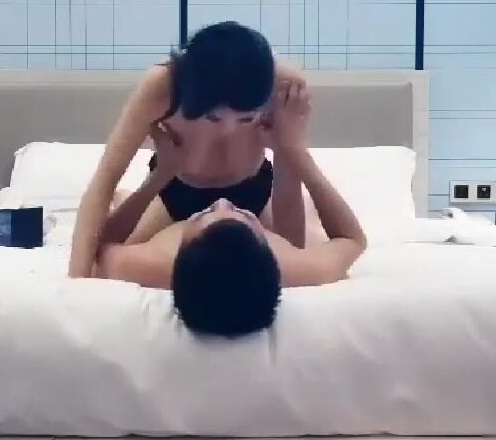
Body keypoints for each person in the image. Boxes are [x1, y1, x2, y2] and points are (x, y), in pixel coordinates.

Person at [94, 85, 368, 339]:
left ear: (181, 249)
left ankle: (132, 196)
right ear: (266, 244)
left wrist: (160, 174)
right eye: (242, 215)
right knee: (310, 225)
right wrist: (294, 151)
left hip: (172, 187)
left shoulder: (150, 265)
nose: (222, 200)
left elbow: (99, 247)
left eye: (207, 213)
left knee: (123, 214)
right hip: (256, 188)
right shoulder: (295, 268)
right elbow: (353, 240)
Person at [68, 21, 309, 279]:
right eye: (213, 118)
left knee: (292, 267)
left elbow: (294, 242)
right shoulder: (163, 86)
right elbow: (104, 180)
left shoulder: (284, 88)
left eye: (246, 119)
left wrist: (288, 146)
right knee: (100, 260)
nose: (228, 130)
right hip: (176, 192)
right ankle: (125, 198)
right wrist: (76, 283)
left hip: (253, 194)